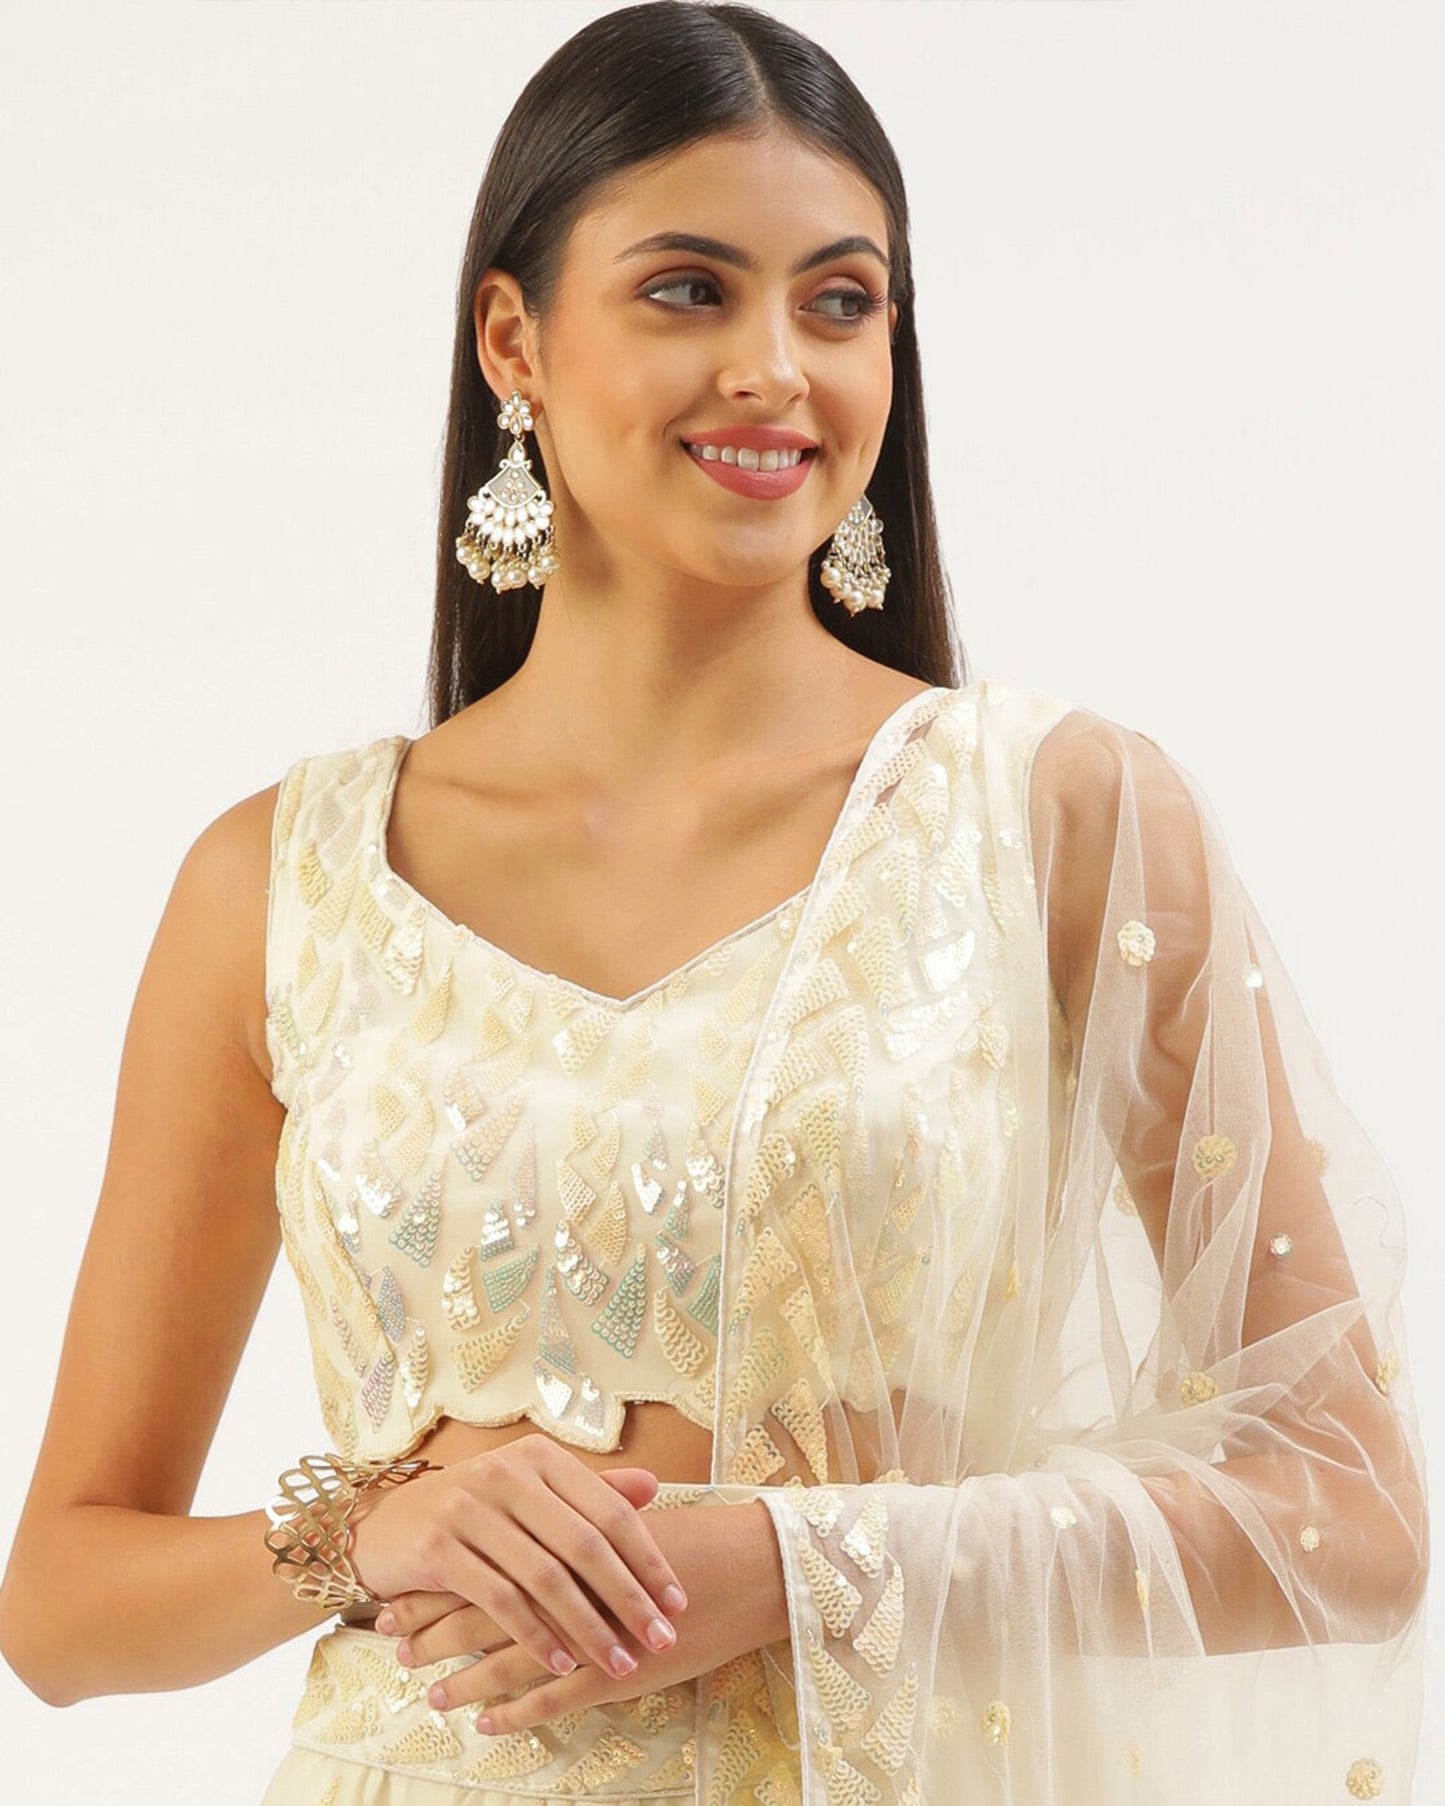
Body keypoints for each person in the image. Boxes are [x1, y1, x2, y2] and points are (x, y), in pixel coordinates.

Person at [0, 3, 1428, 1802]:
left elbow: (1354, 1515)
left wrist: (806, 1569)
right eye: (689, 290)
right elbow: (60, 1598)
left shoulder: (1049, 816)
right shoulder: (280, 880)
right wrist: (376, 1528)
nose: (777, 367)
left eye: (840, 302)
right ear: (511, 338)